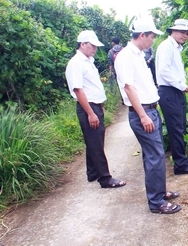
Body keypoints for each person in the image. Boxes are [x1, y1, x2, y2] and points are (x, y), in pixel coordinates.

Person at [114, 18, 181, 214]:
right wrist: (143, 116)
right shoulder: (126, 57)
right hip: (143, 112)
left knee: (153, 155)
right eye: (151, 36)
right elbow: (128, 87)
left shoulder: (139, 55)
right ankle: (156, 202)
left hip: (151, 109)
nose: (153, 40)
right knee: (155, 156)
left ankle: (159, 192)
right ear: (142, 35)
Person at [65, 30, 126, 189]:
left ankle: (92, 172)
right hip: (88, 108)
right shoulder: (76, 63)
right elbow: (79, 91)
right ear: (82, 44)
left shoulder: (88, 61)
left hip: (94, 106)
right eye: (92, 46)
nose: (95, 49)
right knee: (96, 144)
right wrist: (91, 113)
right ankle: (105, 178)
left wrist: (99, 107)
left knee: (94, 141)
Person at [155, 19, 188, 175]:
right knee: (175, 129)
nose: (185, 35)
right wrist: (181, 85)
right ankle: (180, 166)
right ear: (172, 31)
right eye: (182, 32)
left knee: (180, 126)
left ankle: (182, 159)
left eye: (187, 33)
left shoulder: (175, 48)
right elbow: (164, 71)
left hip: (177, 91)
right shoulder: (166, 47)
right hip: (169, 91)